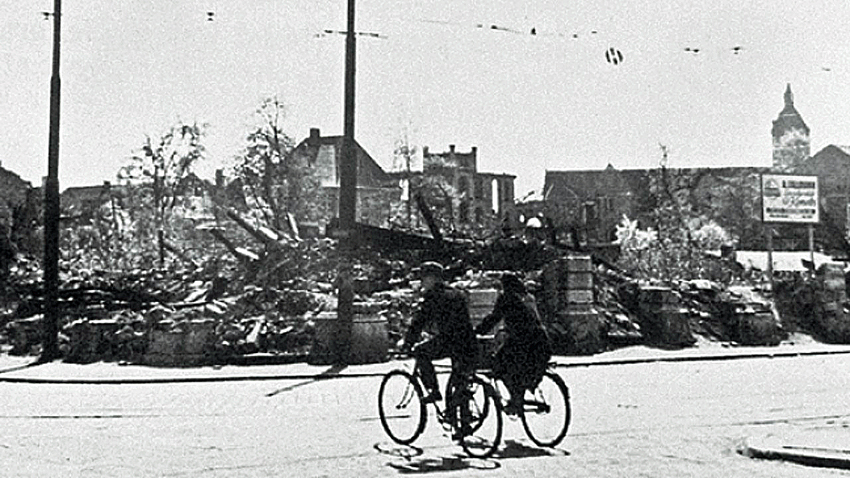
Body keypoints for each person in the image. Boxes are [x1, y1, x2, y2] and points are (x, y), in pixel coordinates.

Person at [401, 261, 478, 405]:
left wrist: (408, 343)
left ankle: (433, 391)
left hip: (449, 341)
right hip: (469, 341)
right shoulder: (457, 293)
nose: (422, 281)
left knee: (420, 352)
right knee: (460, 379)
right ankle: (464, 417)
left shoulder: (433, 295)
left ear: (432, 278)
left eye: (423, 278)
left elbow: (419, 322)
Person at [475, 273, 551, 414]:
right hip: (540, 340)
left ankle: (516, 400)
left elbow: (494, 318)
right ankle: (518, 397)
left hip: (525, 340)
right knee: (514, 367)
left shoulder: (506, 298)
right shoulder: (527, 297)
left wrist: (476, 332)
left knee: (499, 366)